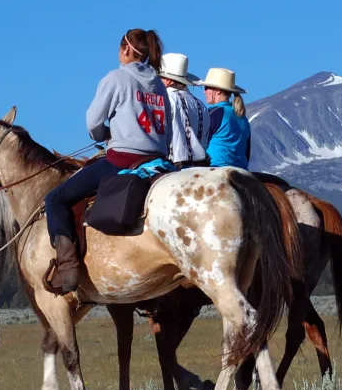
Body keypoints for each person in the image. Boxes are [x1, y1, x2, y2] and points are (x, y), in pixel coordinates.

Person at [45, 29, 169, 292]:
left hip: (122, 160)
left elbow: (93, 122)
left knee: (55, 199)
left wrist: (104, 135)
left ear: (125, 50)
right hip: (157, 161)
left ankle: (67, 267)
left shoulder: (117, 78)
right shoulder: (158, 84)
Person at [158, 53, 212, 167]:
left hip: (174, 166)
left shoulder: (166, 100)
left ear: (168, 80)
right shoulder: (201, 105)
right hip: (201, 165)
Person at [199, 68, 251, 169]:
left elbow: (199, 145)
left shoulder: (213, 113)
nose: (204, 92)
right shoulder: (243, 117)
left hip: (215, 167)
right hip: (242, 169)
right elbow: (247, 152)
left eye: (206, 88)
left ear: (217, 91)